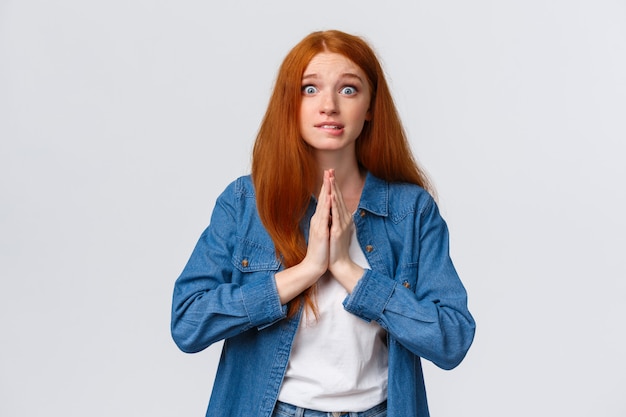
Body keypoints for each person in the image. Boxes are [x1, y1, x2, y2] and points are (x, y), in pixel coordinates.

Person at [171, 29, 475, 417]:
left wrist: (350, 273)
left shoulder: (410, 210)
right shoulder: (246, 202)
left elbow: (452, 339)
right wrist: (308, 270)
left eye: (348, 90)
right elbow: (188, 323)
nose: (328, 105)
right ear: (290, 105)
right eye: (309, 89)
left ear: (370, 107)